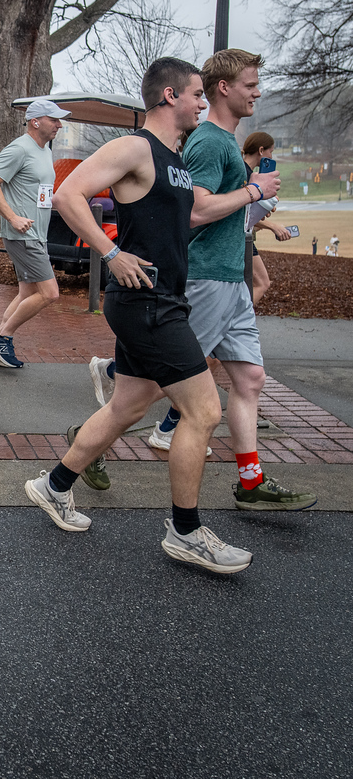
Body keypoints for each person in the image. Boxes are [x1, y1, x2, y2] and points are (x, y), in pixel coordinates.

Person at [29, 57, 257, 573]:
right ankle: (185, 531)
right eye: (198, 94)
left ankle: (54, 485)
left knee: (127, 407)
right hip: (147, 303)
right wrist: (110, 255)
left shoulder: (175, 157)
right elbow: (69, 195)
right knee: (203, 412)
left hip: (163, 299)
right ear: (170, 96)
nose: (204, 102)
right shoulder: (136, 147)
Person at [147, 49, 315, 510]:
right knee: (151, 384)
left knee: (251, 378)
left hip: (231, 279)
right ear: (226, 88)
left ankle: (251, 482)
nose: (257, 92)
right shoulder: (209, 143)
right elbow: (196, 211)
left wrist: (250, 201)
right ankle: (92, 435)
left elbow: (223, 211)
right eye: (250, 84)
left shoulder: (224, 143)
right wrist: (254, 191)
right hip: (206, 279)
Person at [0, 98, 71, 368]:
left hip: (37, 233)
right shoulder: (19, 148)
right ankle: (3, 337)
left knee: (28, 293)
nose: (59, 124)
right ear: (36, 121)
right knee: (50, 293)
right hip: (22, 234)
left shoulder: (44, 150)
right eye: (54, 120)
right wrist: (13, 217)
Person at [240, 132, 290, 305]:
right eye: (271, 152)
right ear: (261, 150)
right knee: (262, 283)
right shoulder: (243, 175)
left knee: (259, 283)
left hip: (243, 237)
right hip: (238, 238)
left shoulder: (249, 174)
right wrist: (272, 226)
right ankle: (238, 320)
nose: (271, 157)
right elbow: (238, 214)